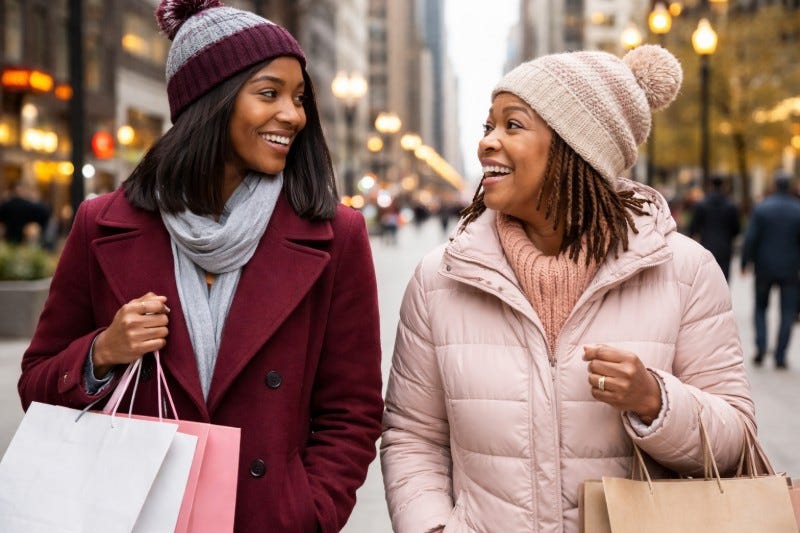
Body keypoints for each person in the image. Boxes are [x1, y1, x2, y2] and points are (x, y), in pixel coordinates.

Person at [17, 2, 383, 531]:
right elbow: (36, 386)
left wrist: (308, 511)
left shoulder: (336, 236)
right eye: (269, 93)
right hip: (134, 514)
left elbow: (353, 409)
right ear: (211, 102)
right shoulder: (101, 225)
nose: (294, 115)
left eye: (299, 98)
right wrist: (102, 352)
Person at [381, 45, 755, 532]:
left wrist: (655, 400)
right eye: (487, 126)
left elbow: (737, 440)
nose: (487, 143)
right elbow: (412, 438)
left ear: (576, 148)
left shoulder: (685, 270)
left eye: (512, 125)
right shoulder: (439, 280)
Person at [740, 170, 800, 370]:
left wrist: (745, 262)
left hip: (764, 268)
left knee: (760, 308)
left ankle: (761, 346)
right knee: (788, 312)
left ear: (774, 185)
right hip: (791, 269)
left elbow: (751, 238)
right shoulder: (797, 209)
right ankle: (781, 355)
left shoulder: (762, 208)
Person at [688, 174, 740, 280]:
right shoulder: (731, 206)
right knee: (724, 280)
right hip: (725, 248)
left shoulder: (701, 205)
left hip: (706, 246)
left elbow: (693, 228)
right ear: (723, 186)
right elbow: (736, 229)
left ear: (710, 185)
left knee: (706, 280)